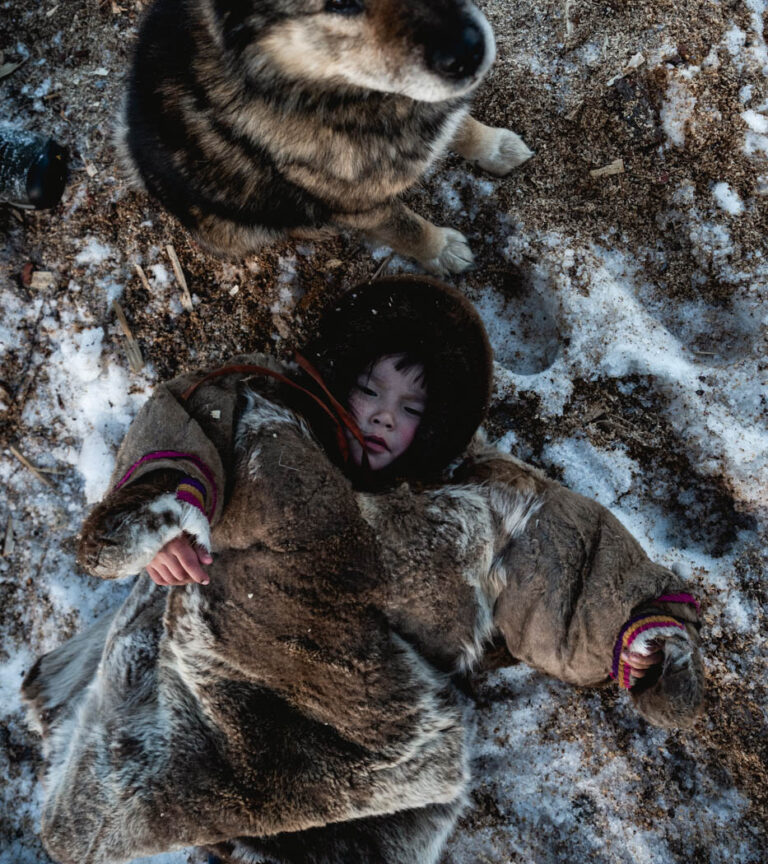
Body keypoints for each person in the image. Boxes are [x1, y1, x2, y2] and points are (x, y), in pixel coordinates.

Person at [22, 277, 704, 864]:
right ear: (336, 376)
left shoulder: (465, 502)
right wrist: (168, 517)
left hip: (353, 723)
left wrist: (633, 627)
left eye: (410, 409)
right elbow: (196, 420)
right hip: (222, 660)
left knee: (313, 818)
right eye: (370, 390)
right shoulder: (273, 423)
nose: (383, 414)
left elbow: (558, 555)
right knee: (175, 774)